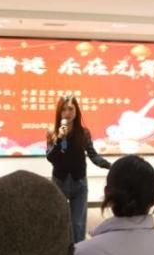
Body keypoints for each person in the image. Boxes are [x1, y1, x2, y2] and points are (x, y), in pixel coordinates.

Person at [46, 94, 111, 242]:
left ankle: (78, 254)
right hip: (59, 183)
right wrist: (59, 139)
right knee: (58, 224)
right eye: (64, 109)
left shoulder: (83, 133)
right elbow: (51, 158)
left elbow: (93, 156)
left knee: (78, 225)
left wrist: (110, 166)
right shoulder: (52, 132)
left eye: (71, 109)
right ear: (59, 112)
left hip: (79, 183)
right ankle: (61, 254)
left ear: (76, 111)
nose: (67, 113)